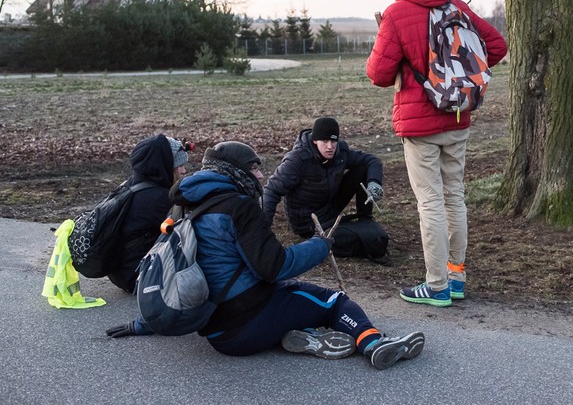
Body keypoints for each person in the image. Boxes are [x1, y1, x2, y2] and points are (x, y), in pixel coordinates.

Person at [106, 141, 424, 370]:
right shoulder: (240, 208)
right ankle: (374, 344)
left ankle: (304, 336)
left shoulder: (185, 204)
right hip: (245, 325)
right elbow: (274, 267)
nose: (260, 176)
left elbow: (178, 270)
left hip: (215, 330)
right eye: (254, 168)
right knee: (333, 301)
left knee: (288, 302)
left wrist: (145, 323)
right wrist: (320, 245)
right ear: (234, 172)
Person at [365, 0, 508, 307]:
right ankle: (456, 276)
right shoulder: (456, 6)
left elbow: (378, 75)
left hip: (419, 122)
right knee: (454, 196)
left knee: (430, 201)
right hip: (458, 115)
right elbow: (497, 46)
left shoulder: (396, 14)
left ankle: (437, 285)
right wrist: (459, 75)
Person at [262, 117, 389, 262]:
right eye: (325, 141)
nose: (330, 146)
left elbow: (371, 160)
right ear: (315, 141)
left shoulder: (341, 152)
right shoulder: (297, 160)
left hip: (330, 207)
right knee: (368, 240)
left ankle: (364, 218)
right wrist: (262, 229)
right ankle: (323, 242)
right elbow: (271, 190)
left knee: (363, 167)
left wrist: (374, 183)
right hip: (308, 221)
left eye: (333, 141)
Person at [107, 133, 191, 293]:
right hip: (140, 277)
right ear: (163, 166)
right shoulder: (159, 198)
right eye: (179, 165)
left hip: (121, 272)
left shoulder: (132, 184)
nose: (184, 170)